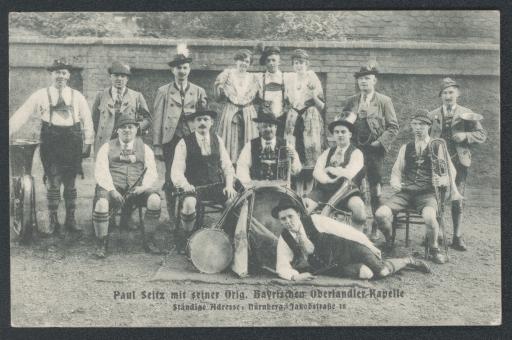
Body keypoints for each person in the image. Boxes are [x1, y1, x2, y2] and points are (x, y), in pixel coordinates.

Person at [9, 58, 94, 237]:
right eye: (57, 73)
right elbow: (23, 113)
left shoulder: (77, 96)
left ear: (68, 75)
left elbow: (87, 120)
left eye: (63, 73)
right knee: (53, 182)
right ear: (51, 75)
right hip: (51, 143)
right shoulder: (40, 95)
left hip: (72, 142)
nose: (60, 76)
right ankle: (53, 220)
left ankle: (71, 219)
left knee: (70, 183)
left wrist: (88, 142)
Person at [272, 198, 431, 281]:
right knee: (367, 274)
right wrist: (294, 276)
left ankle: (408, 260)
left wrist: (368, 245)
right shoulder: (285, 238)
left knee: (381, 272)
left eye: (290, 216)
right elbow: (281, 265)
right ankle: (382, 264)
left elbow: (347, 232)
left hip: (353, 249)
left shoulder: (315, 220)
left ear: (298, 214)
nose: (288, 221)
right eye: (283, 219)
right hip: (333, 265)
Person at [374, 110, 452, 264]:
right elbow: (396, 171)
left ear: (429, 126)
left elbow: (449, 174)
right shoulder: (406, 147)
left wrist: (441, 180)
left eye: (422, 124)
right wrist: (395, 183)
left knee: (430, 217)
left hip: (427, 194)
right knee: (380, 214)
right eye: (415, 124)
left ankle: (434, 249)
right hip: (406, 193)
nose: (418, 128)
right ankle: (390, 240)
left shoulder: (437, 146)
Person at [341, 61, 399, 241]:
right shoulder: (351, 101)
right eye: (360, 79)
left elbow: (393, 127)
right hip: (356, 152)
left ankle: (375, 226)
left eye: (367, 79)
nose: (363, 82)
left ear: (374, 80)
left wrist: (379, 142)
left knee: (375, 191)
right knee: (353, 188)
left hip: (374, 154)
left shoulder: (384, 101)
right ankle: (358, 226)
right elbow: (344, 124)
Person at [428, 78, 487, 251]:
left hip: (459, 161)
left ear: (457, 94)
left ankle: (457, 236)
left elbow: (482, 134)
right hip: (438, 161)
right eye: (444, 93)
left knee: (457, 198)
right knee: (438, 197)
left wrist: (465, 136)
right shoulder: (432, 115)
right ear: (440, 96)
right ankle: (437, 235)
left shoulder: (467, 113)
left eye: (451, 92)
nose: (448, 96)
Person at [152, 44, 208, 222]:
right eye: (178, 68)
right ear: (172, 70)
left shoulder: (198, 91)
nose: (182, 71)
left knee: (193, 176)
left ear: (189, 69)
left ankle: (192, 214)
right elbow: (158, 120)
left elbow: (203, 119)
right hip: (171, 140)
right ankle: (172, 217)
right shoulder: (163, 91)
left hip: (192, 140)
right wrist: (157, 146)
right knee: (170, 179)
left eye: (185, 68)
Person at [93, 115, 162, 258]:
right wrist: (111, 190)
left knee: (155, 200)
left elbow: (152, 172)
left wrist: (143, 188)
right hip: (113, 187)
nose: (127, 130)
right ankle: (101, 243)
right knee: (101, 203)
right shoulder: (107, 147)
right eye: (123, 127)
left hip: (137, 189)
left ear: (136, 129)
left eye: (130, 127)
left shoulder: (145, 148)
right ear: (117, 130)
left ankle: (149, 240)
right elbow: (101, 171)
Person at [171, 110, 238, 253]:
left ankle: (224, 238)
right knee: (189, 204)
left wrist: (229, 185)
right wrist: (185, 185)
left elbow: (227, 166)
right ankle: (188, 238)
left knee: (233, 201)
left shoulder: (217, 140)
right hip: (194, 188)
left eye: (206, 119)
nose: (202, 123)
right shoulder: (184, 143)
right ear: (193, 123)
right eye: (199, 120)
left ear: (211, 123)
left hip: (215, 186)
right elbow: (176, 170)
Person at [305, 113, 366, 230]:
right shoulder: (327, 152)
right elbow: (317, 171)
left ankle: (356, 236)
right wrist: (328, 179)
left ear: (350, 134)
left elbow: (349, 173)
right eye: (336, 132)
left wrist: (330, 169)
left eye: (343, 132)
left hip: (347, 192)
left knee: (359, 210)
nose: (340, 135)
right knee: (305, 207)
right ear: (333, 135)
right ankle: (312, 235)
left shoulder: (356, 153)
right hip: (324, 190)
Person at [284, 49, 326, 195]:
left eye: (301, 62)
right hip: (294, 117)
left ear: (307, 64)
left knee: (310, 150)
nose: (298, 66)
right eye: (296, 63)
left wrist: (314, 94)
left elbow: (322, 105)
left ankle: (309, 190)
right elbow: (287, 100)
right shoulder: (290, 79)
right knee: (294, 149)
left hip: (310, 117)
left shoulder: (312, 77)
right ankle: (296, 189)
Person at [91, 61, 151, 156]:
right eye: (116, 75)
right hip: (105, 140)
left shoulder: (136, 96)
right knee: (104, 166)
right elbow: (94, 119)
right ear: (110, 77)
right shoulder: (101, 95)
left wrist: (136, 129)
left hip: (128, 139)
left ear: (127, 79)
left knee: (124, 166)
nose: (119, 79)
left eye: (123, 76)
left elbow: (147, 119)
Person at [215, 49, 260, 164]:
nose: (244, 63)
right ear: (236, 61)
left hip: (248, 111)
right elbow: (218, 93)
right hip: (231, 110)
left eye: (247, 61)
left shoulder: (253, 78)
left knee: (248, 138)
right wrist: (219, 87)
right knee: (230, 139)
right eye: (241, 60)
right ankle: (230, 165)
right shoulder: (228, 74)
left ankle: (247, 165)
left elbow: (258, 95)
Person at [236, 109, 302, 187]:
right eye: (264, 126)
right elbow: (242, 168)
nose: (268, 129)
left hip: (280, 192)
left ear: (276, 127)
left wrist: (293, 161)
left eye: (270, 126)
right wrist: (250, 186)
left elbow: (297, 170)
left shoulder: (286, 144)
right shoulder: (250, 145)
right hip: (258, 192)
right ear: (258, 128)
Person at [256, 45, 290, 137]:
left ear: (279, 62)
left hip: (281, 116)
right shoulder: (260, 78)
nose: (271, 63)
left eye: (274, 60)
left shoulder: (285, 77)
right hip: (264, 116)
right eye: (268, 60)